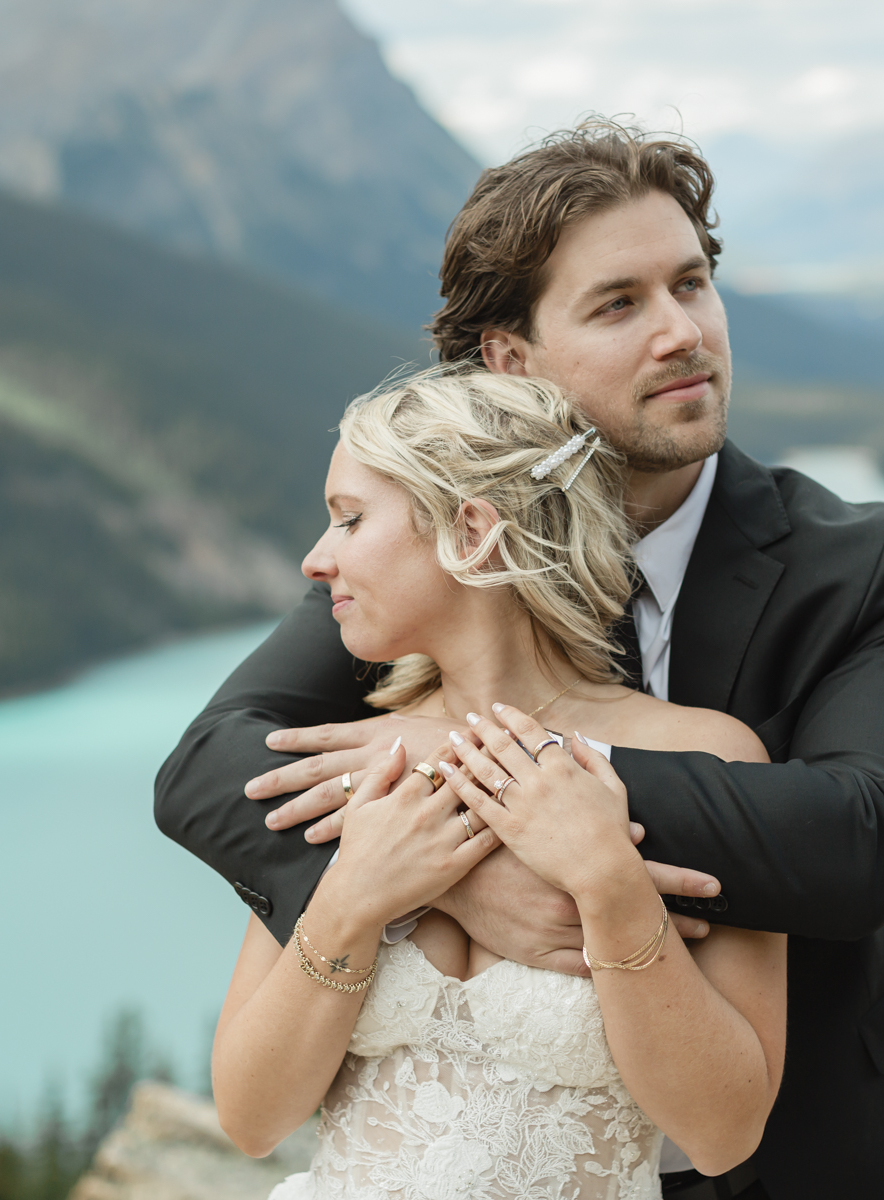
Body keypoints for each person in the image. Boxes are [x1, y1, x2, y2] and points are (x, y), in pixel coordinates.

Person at [158, 120, 884, 1198]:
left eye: (694, 284)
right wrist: (450, 874)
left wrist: (518, 786)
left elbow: (865, 838)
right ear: (510, 362)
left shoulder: (863, 563)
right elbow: (208, 767)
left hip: (829, 1155)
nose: (683, 332)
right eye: (620, 304)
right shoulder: (428, 559)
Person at [213, 370, 787, 1197]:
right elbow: (250, 1117)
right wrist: (351, 901)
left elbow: (723, 1134)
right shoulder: (353, 759)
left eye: (350, 519)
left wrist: (608, 884)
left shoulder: (703, 761)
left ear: (472, 532)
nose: (316, 558)